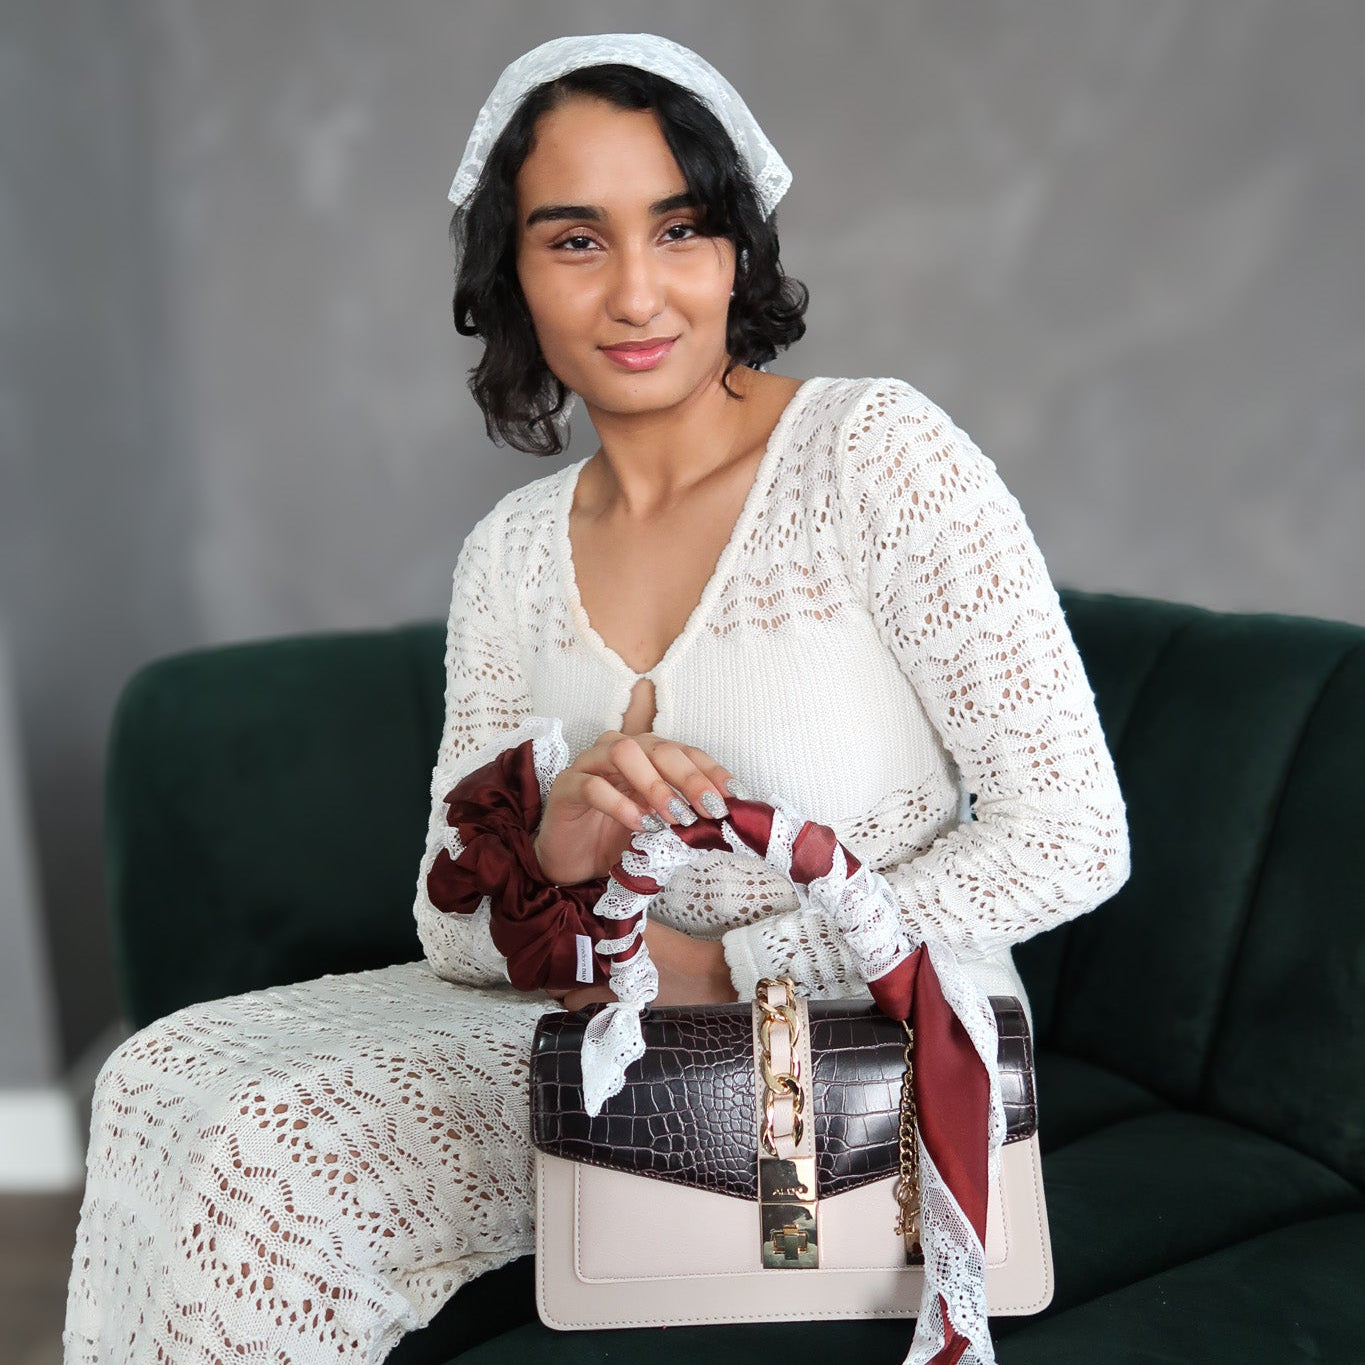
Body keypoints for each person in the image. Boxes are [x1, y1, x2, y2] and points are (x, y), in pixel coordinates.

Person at [64, 32, 1129, 1365]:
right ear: (508, 275)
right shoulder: (510, 551)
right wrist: (554, 863)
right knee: (168, 1081)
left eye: (677, 229)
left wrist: (723, 968)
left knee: (276, 1158)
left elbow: (1073, 828)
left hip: (843, 1059)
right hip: (593, 1042)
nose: (636, 293)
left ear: (736, 249)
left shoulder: (876, 456)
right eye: (574, 241)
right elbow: (447, 932)